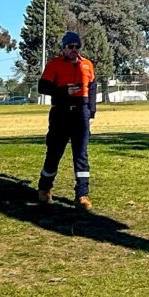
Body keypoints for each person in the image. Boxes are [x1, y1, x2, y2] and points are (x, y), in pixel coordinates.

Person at [37, 31, 97, 209]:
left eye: (77, 47)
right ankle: (44, 188)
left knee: (81, 155)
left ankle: (82, 195)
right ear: (63, 48)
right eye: (71, 47)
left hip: (81, 113)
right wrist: (63, 92)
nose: (74, 50)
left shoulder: (87, 65)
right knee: (54, 152)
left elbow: (92, 87)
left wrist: (91, 112)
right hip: (61, 113)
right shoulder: (54, 64)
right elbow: (43, 87)